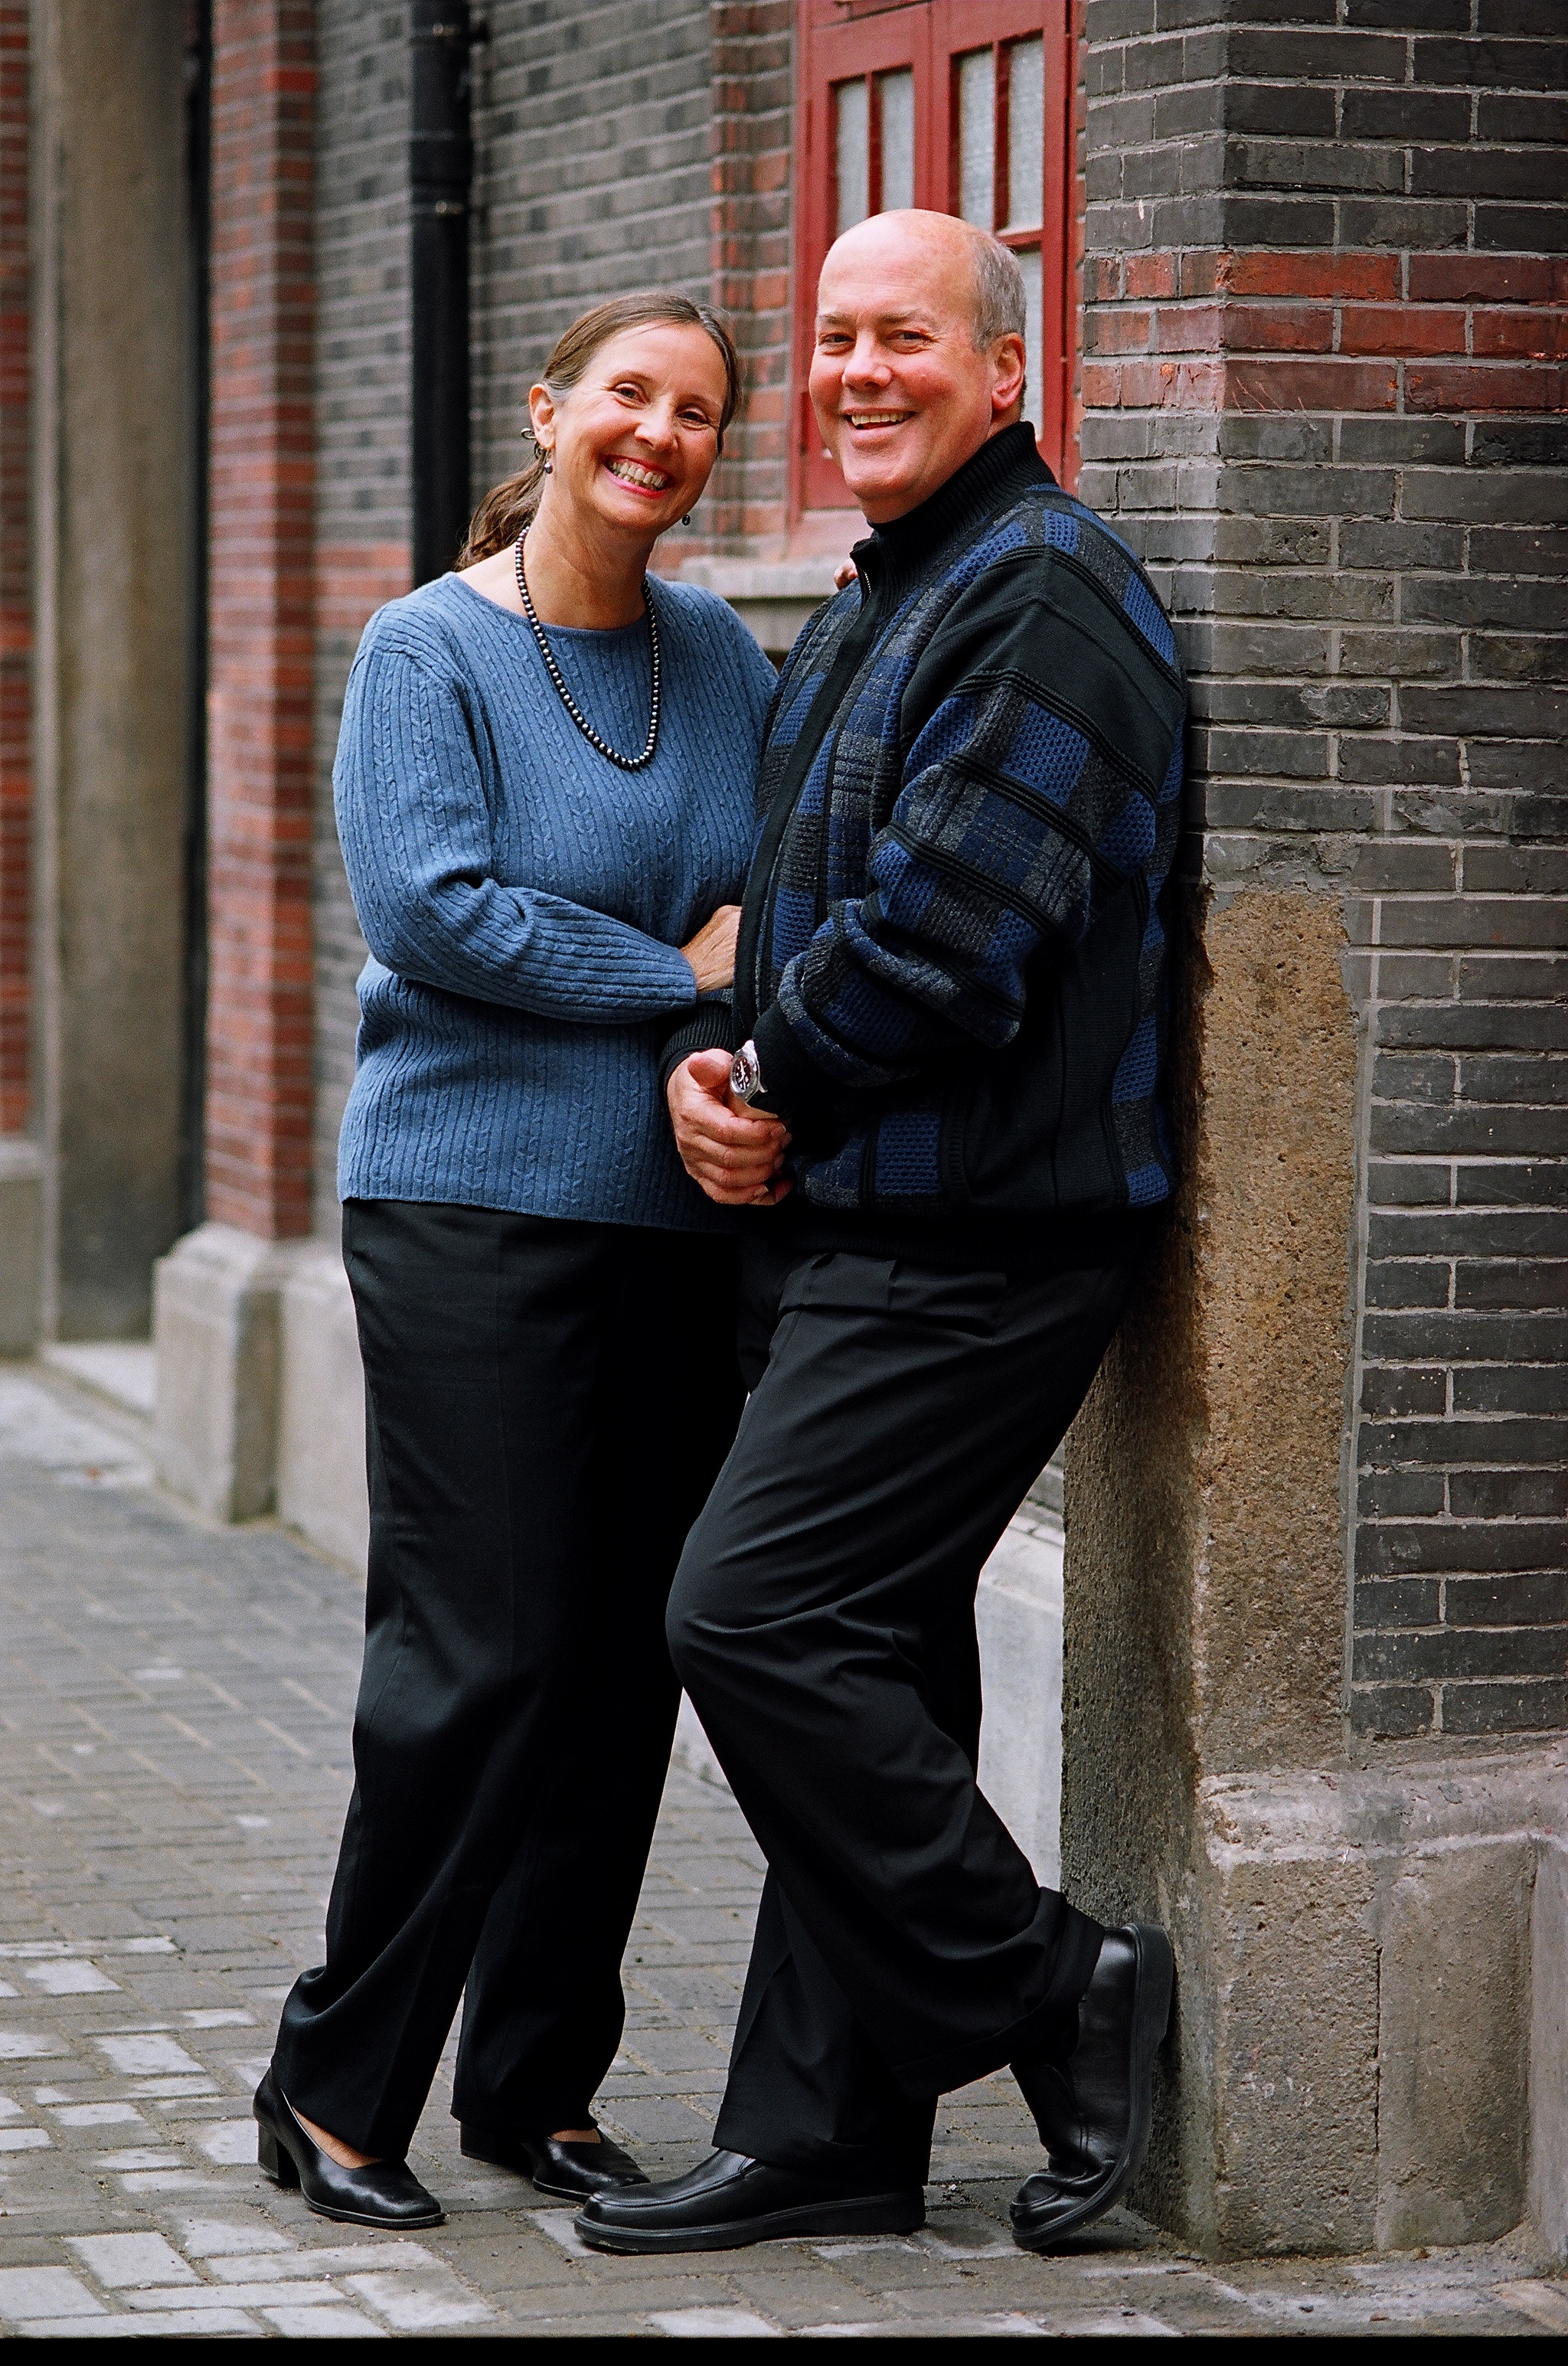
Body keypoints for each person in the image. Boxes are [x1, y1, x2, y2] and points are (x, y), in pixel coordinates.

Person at [574, 211, 1187, 2259]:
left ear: (1007, 370)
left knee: (749, 1616)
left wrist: (760, 1077)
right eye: (834, 337)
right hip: (857, 1209)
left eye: (904, 337)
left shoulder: (1044, 595)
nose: (857, 371)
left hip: (983, 1233)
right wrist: (713, 1057)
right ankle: (829, 2130)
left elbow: (942, 943)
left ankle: (1058, 1987)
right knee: (881, 1657)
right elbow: (791, 913)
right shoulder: (892, 586)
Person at [254, 292, 783, 2230]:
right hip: (465, 1206)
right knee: (475, 1653)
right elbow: (434, 912)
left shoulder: (720, 654)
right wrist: (674, 975)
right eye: (629, 396)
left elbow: (767, 894)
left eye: (698, 413)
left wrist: (728, 1014)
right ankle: (333, 2086)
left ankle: (534, 2082)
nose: (659, 435)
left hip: (672, 1216)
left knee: (618, 1666)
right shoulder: (428, 648)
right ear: (552, 414)